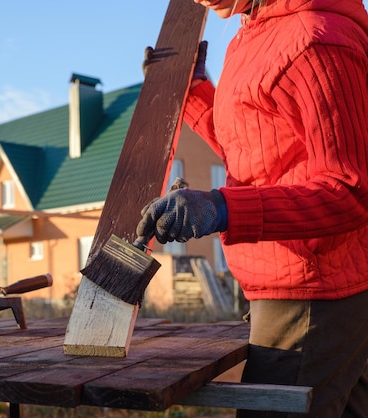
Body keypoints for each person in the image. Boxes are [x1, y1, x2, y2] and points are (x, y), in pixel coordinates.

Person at [136, 0, 368, 416]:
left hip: (314, 294)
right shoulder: (255, 30)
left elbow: (349, 191)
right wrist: (191, 93)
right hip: (287, 284)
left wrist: (222, 208)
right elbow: (256, 147)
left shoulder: (318, 38)